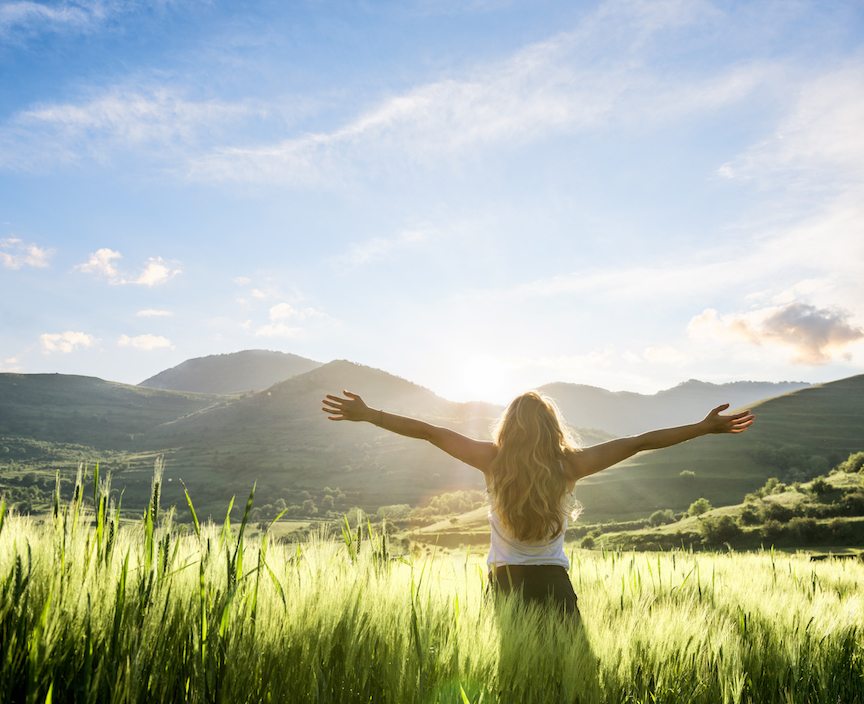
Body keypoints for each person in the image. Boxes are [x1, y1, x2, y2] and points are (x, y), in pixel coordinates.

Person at [320, 389, 755, 618]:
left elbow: (431, 432)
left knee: (513, 677)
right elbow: (640, 442)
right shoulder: (572, 465)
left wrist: (372, 414)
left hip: (504, 584)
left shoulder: (490, 460)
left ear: (509, 427)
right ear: (553, 428)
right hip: (555, 585)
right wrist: (702, 428)